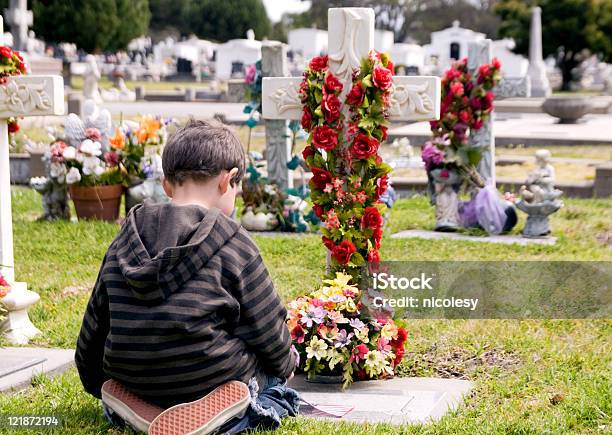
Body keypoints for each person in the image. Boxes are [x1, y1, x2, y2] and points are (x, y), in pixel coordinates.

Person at [75, 120, 298, 434]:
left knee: (126, 385)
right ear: (228, 180)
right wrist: (286, 365)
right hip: (209, 380)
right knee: (275, 385)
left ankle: (136, 407)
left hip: (134, 379)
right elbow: (267, 327)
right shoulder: (234, 241)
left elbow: (95, 325)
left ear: (167, 185)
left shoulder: (124, 239)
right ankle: (221, 413)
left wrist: (96, 383)